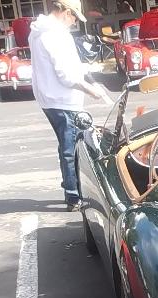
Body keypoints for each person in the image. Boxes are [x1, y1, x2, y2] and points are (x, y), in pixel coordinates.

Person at [29, 0, 106, 211]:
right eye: (73, 17)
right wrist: (90, 90)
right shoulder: (55, 34)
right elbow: (66, 75)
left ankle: (71, 189)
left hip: (49, 98)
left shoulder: (38, 31)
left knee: (66, 145)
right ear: (64, 11)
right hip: (63, 100)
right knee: (71, 149)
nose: (74, 22)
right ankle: (73, 195)